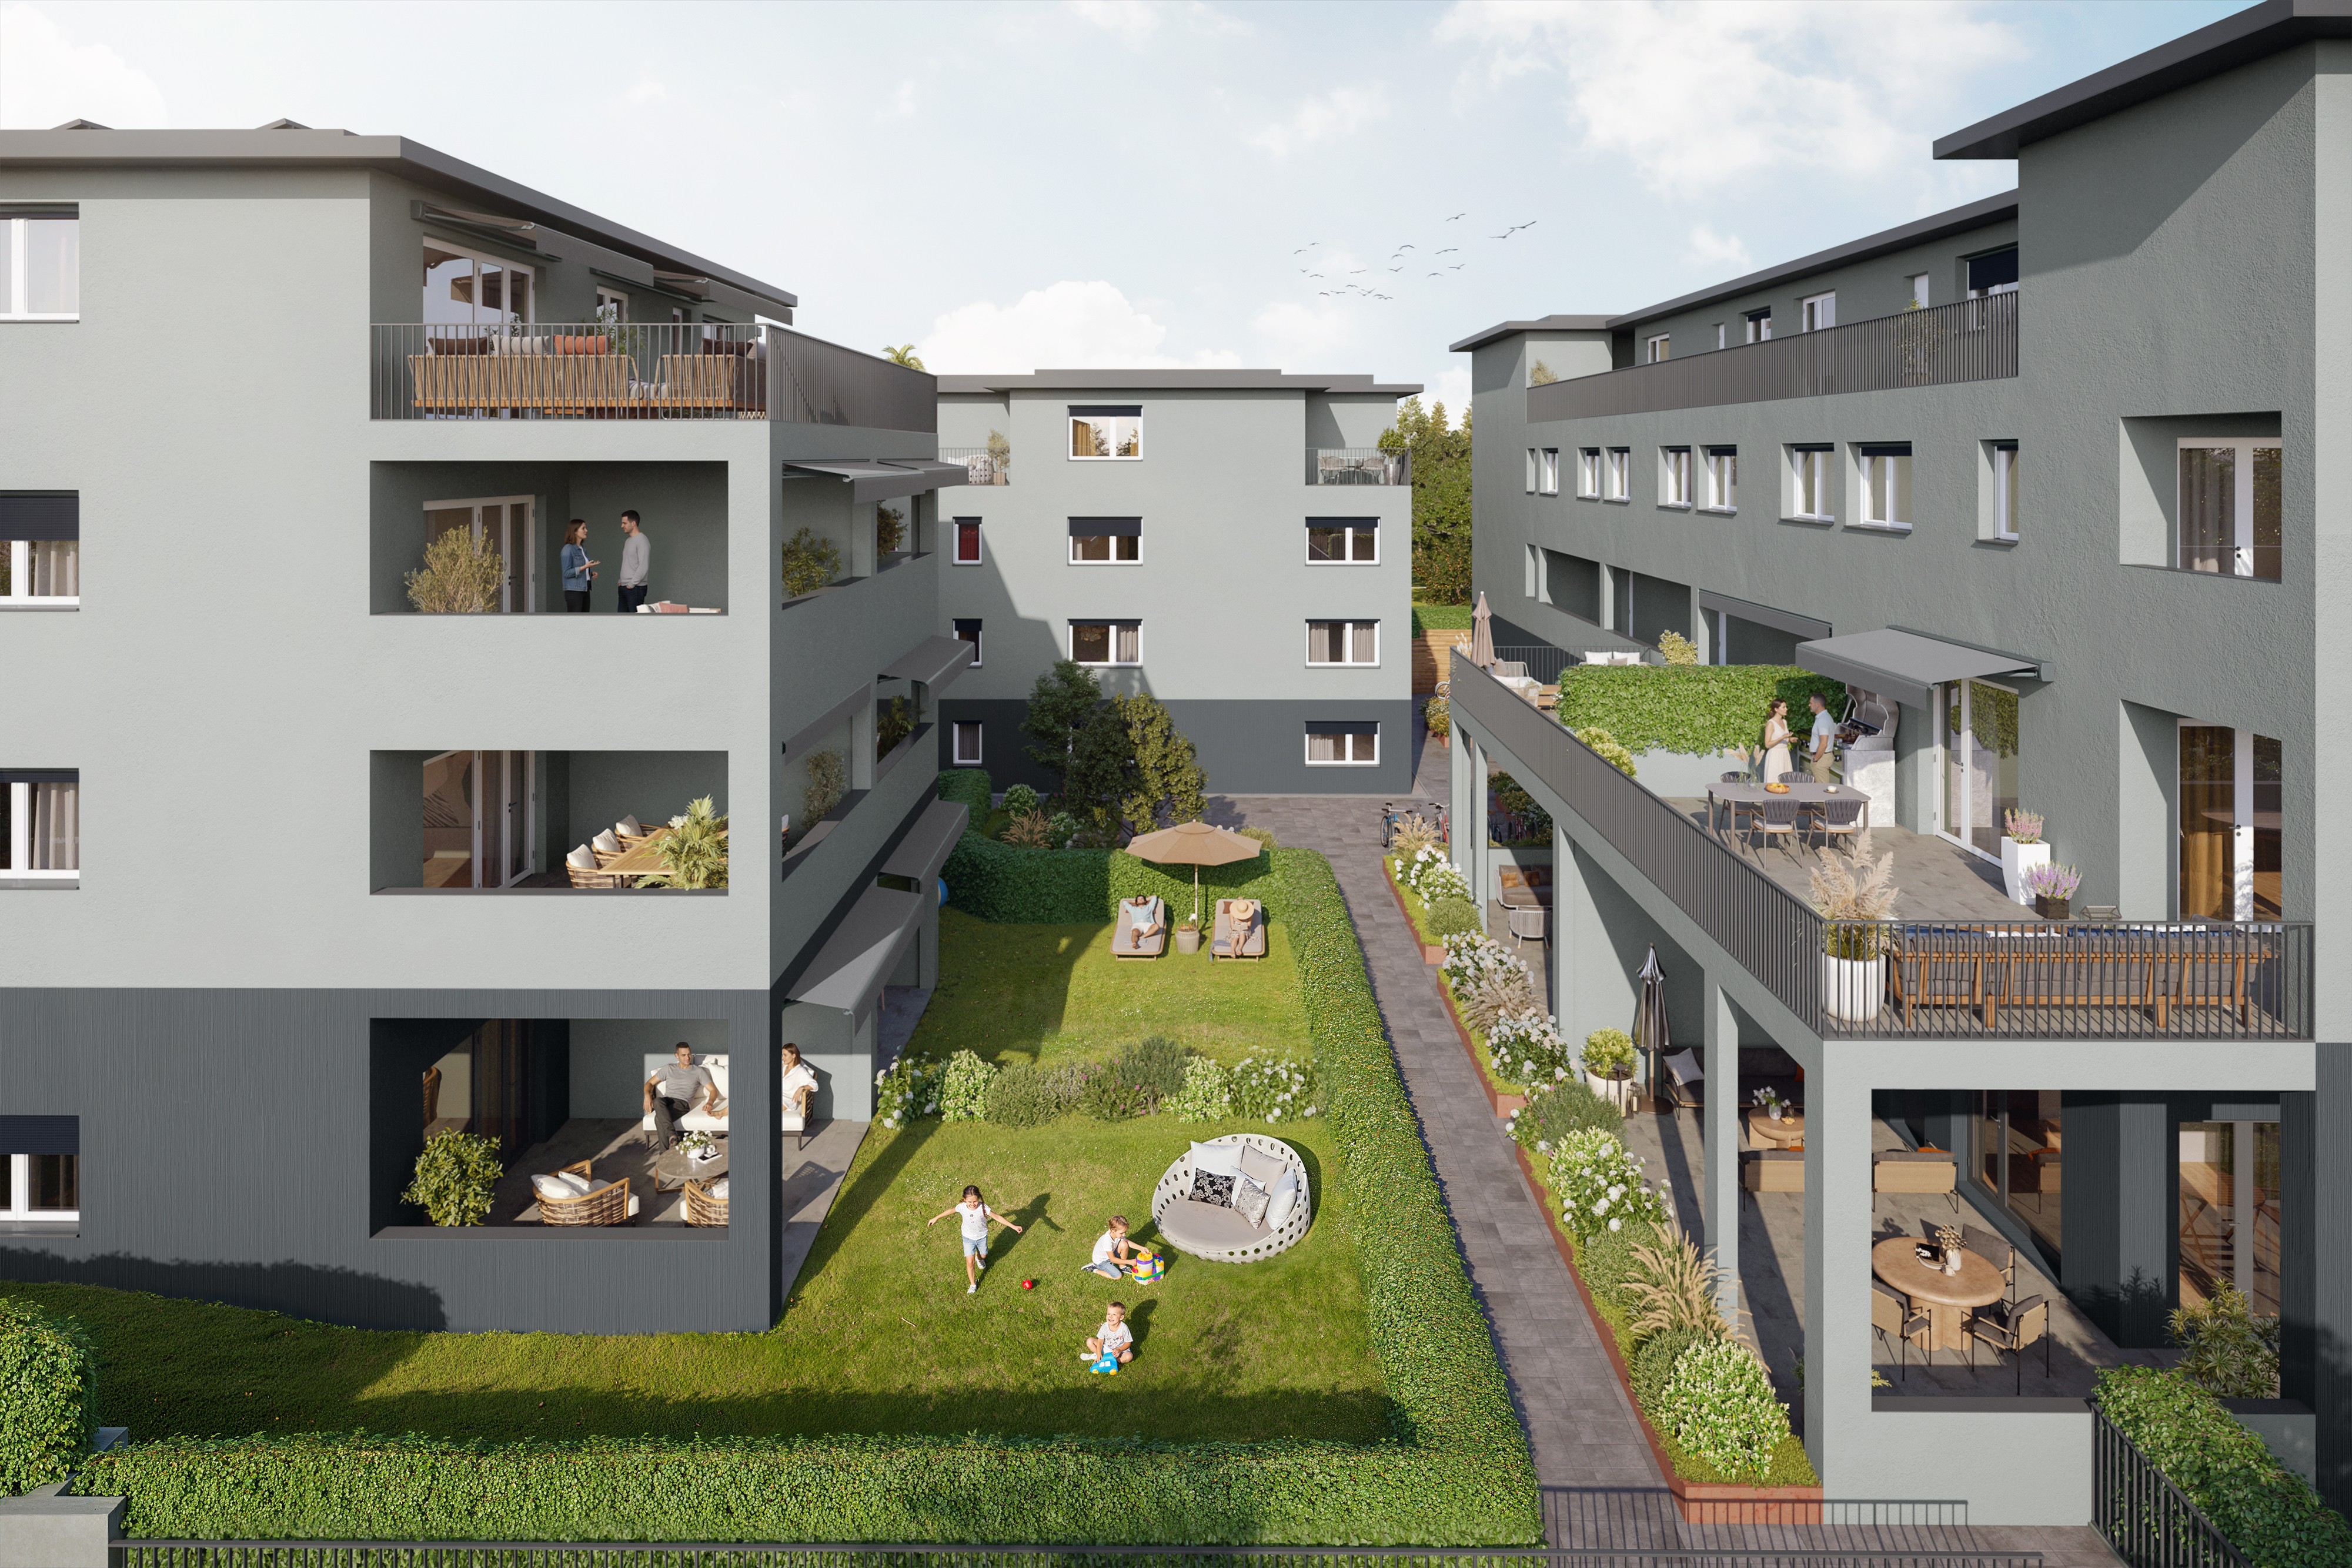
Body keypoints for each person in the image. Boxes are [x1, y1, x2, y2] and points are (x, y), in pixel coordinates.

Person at [928, 1183, 1023, 1293]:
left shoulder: (983, 1208)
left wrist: (1014, 1227)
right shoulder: (962, 1207)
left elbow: (997, 1217)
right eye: (969, 1202)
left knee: (983, 1255)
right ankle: (973, 1284)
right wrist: (936, 1218)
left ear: (979, 1198)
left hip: (982, 1237)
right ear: (964, 1200)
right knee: (970, 1262)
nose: (973, 1204)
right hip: (968, 1238)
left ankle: (980, 1258)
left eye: (975, 1201)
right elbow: (950, 1210)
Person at [643, 1042, 719, 1151]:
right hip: (667, 1101)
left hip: (682, 1103)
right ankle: (673, 1136)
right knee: (658, 1101)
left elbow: (713, 1090)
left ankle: (664, 1155)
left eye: (689, 1054)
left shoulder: (698, 1071)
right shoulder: (669, 1068)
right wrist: (647, 1096)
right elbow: (649, 1084)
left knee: (659, 1119)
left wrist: (710, 1102)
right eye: (684, 1055)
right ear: (677, 1056)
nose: (688, 1058)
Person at [1083, 1215, 1144, 1279]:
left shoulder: (1116, 1234)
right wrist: (1129, 1262)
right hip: (1102, 1262)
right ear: (1113, 1230)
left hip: (1110, 1255)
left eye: (1125, 1232)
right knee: (1118, 1276)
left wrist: (1142, 1248)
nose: (1124, 1235)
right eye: (1122, 1233)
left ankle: (1122, 1267)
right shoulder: (1107, 1241)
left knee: (1124, 1244)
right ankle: (1094, 1268)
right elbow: (1113, 1259)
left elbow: (1128, 1242)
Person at [616, 509, 650, 614]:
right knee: (622, 623)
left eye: (624, 523)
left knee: (635, 624)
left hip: (635, 588)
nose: (622, 526)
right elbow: (628, 563)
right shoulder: (628, 541)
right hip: (624, 587)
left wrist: (631, 584)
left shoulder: (642, 541)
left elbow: (643, 566)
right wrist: (621, 582)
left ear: (633, 523)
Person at [560, 520, 599, 613]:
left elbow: (582, 568)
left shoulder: (582, 548)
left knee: (584, 621)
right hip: (574, 591)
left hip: (585, 589)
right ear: (575, 531)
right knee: (575, 622)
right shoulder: (567, 549)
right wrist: (585, 567)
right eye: (583, 528)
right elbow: (566, 573)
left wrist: (590, 573)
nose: (586, 530)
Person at [1081, 1302, 1135, 1366]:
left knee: (1129, 1356)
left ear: (1121, 1317)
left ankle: (1113, 1360)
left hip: (1120, 1350)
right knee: (1090, 1341)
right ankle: (1098, 1356)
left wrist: (1120, 1350)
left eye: (1114, 1315)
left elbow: (1128, 1343)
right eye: (1108, 1314)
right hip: (1106, 1347)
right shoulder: (1105, 1327)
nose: (1110, 1316)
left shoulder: (1124, 1328)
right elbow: (1100, 1341)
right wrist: (1099, 1353)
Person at [1806, 692, 1840, 784]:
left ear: (1818, 704)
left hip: (1821, 759)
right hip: (1822, 757)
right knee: (1820, 790)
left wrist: (1816, 759)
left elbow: (1824, 743)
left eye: (1811, 703)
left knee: (1821, 791)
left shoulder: (1823, 720)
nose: (1809, 705)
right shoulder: (1824, 717)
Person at [780, 1042, 817, 1125]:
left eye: (785, 1055)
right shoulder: (783, 1067)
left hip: (787, 1100)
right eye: (782, 1055)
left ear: (793, 1056)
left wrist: (802, 1088)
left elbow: (815, 1085)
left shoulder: (800, 1071)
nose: (783, 1058)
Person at [1759, 698, 1794, 782]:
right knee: (1775, 781)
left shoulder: (1784, 722)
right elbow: (1767, 744)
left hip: (1785, 754)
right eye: (1784, 707)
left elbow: (1783, 738)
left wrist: (1789, 739)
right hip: (1775, 756)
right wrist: (1781, 738)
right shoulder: (1771, 724)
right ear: (1776, 709)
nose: (1786, 709)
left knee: (1786, 782)